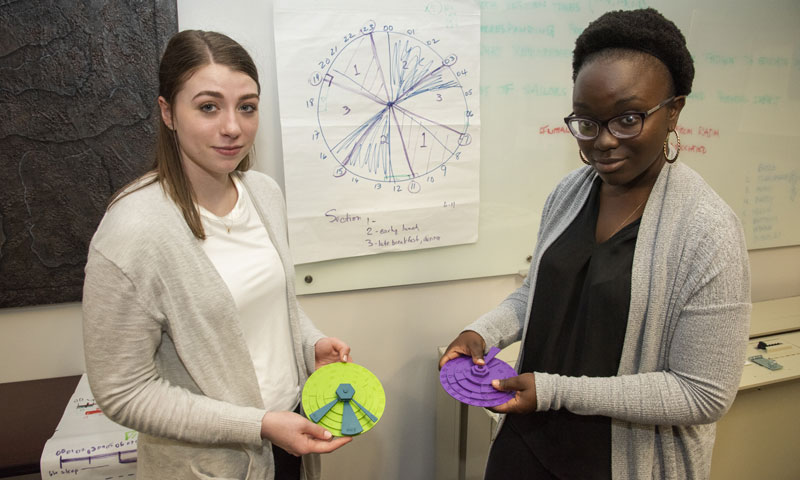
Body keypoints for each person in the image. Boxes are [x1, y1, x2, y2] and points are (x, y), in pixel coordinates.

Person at [439, 8, 750, 479]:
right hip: (527, 444)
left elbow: (702, 394)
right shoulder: (569, 193)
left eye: (627, 118)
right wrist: (483, 332)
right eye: (587, 122)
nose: (602, 142)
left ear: (674, 111)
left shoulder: (707, 231)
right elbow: (539, 292)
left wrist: (555, 392)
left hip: (624, 462)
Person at [82, 30, 352, 480]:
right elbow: (123, 393)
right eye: (208, 107)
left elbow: (268, 305)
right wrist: (258, 424)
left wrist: (310, 344)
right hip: (212, 467)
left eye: (247, 106)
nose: (233, 127)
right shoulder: (133, 230)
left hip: (290, 441)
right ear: (168, 113)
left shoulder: (264, 194)